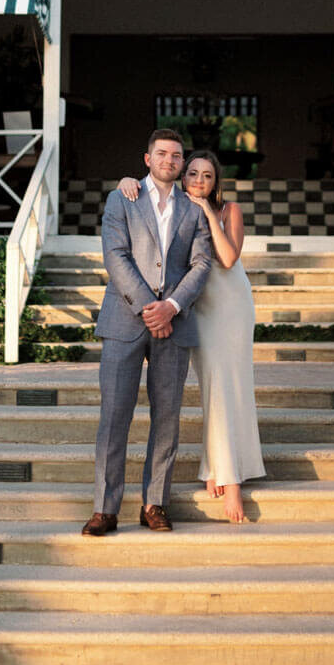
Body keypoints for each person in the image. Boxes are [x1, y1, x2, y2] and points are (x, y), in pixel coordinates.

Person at [118, 148, 265, 524]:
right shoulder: (174, 206)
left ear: (216, 182)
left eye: (207, 176)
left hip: (231, 306)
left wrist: (207, 213)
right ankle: (215, 464)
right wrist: (128, 181)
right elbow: (145, 198)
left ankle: (231, 480)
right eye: (193, 174)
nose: (199, 181)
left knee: (230, 387)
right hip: (197, 307)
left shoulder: (229, 210)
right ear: (183, 177)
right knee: (212, 388)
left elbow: (229, 258)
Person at [83, 129, 214, 536]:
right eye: (162, 153)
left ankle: (154, 503)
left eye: (177, 155)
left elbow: (202, 264)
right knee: (115, 416)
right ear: (147, 159)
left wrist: (171, 307)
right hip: (125, 321)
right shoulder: (121, 197)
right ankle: (105, 509)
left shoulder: (194, 209)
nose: (170, 160)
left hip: (174, 325)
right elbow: (115, 255)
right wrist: (148, 308)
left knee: (167, 419)